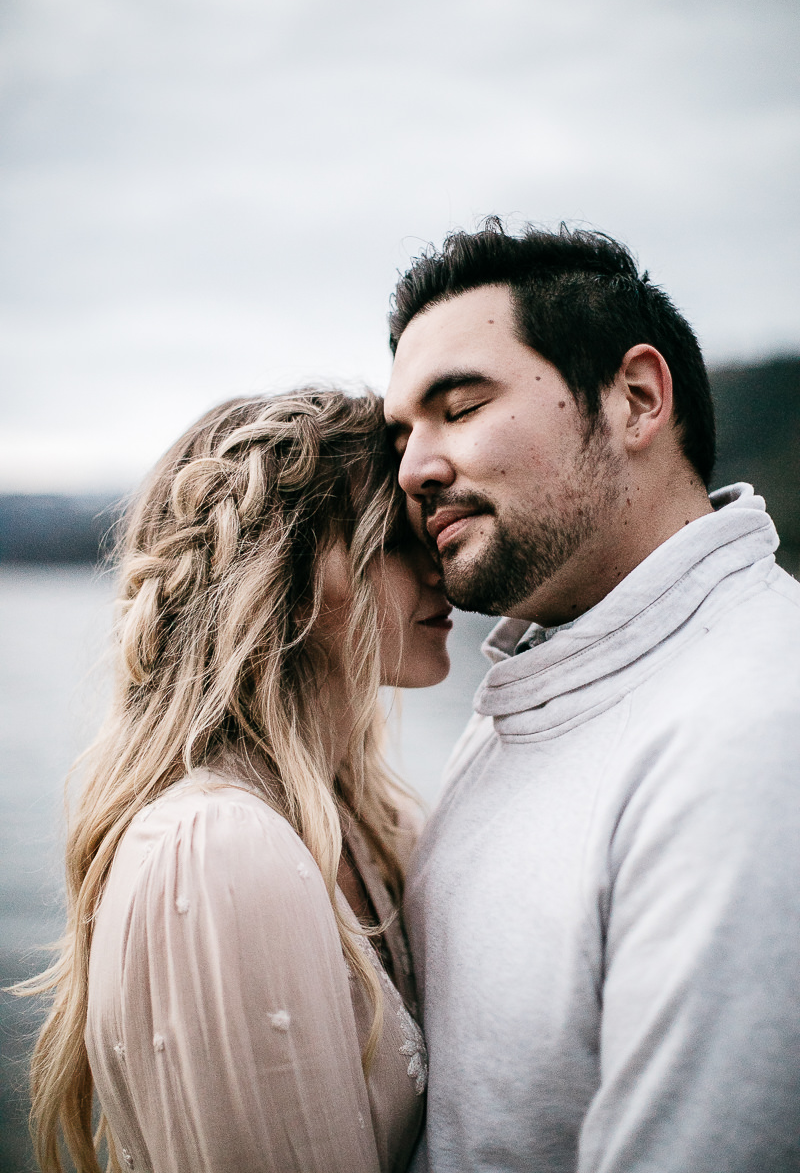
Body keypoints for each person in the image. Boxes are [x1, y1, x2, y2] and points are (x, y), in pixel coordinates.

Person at [383, 220, 800, 1173]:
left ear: (636, 399)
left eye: (460, 405)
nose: (412, 469)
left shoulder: (754, 733)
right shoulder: (540, 689)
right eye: (403, 432)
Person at [22, 389, 453, 1173]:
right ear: (284, 582)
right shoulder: (216, 850)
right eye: (395, 535)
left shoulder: (359, 819)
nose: (441, 562)